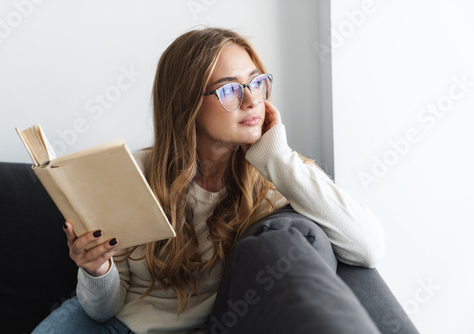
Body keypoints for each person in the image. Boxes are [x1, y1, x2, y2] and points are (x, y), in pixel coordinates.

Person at [33, 27, 385, 334]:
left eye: (257, 83)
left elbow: (367, 247)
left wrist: (277, 156)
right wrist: (97, 268)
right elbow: (102, 310)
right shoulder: (131, 173)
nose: (251, 100)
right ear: (187, 105)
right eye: (229, 90)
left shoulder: (277, 176)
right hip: (110, 325)